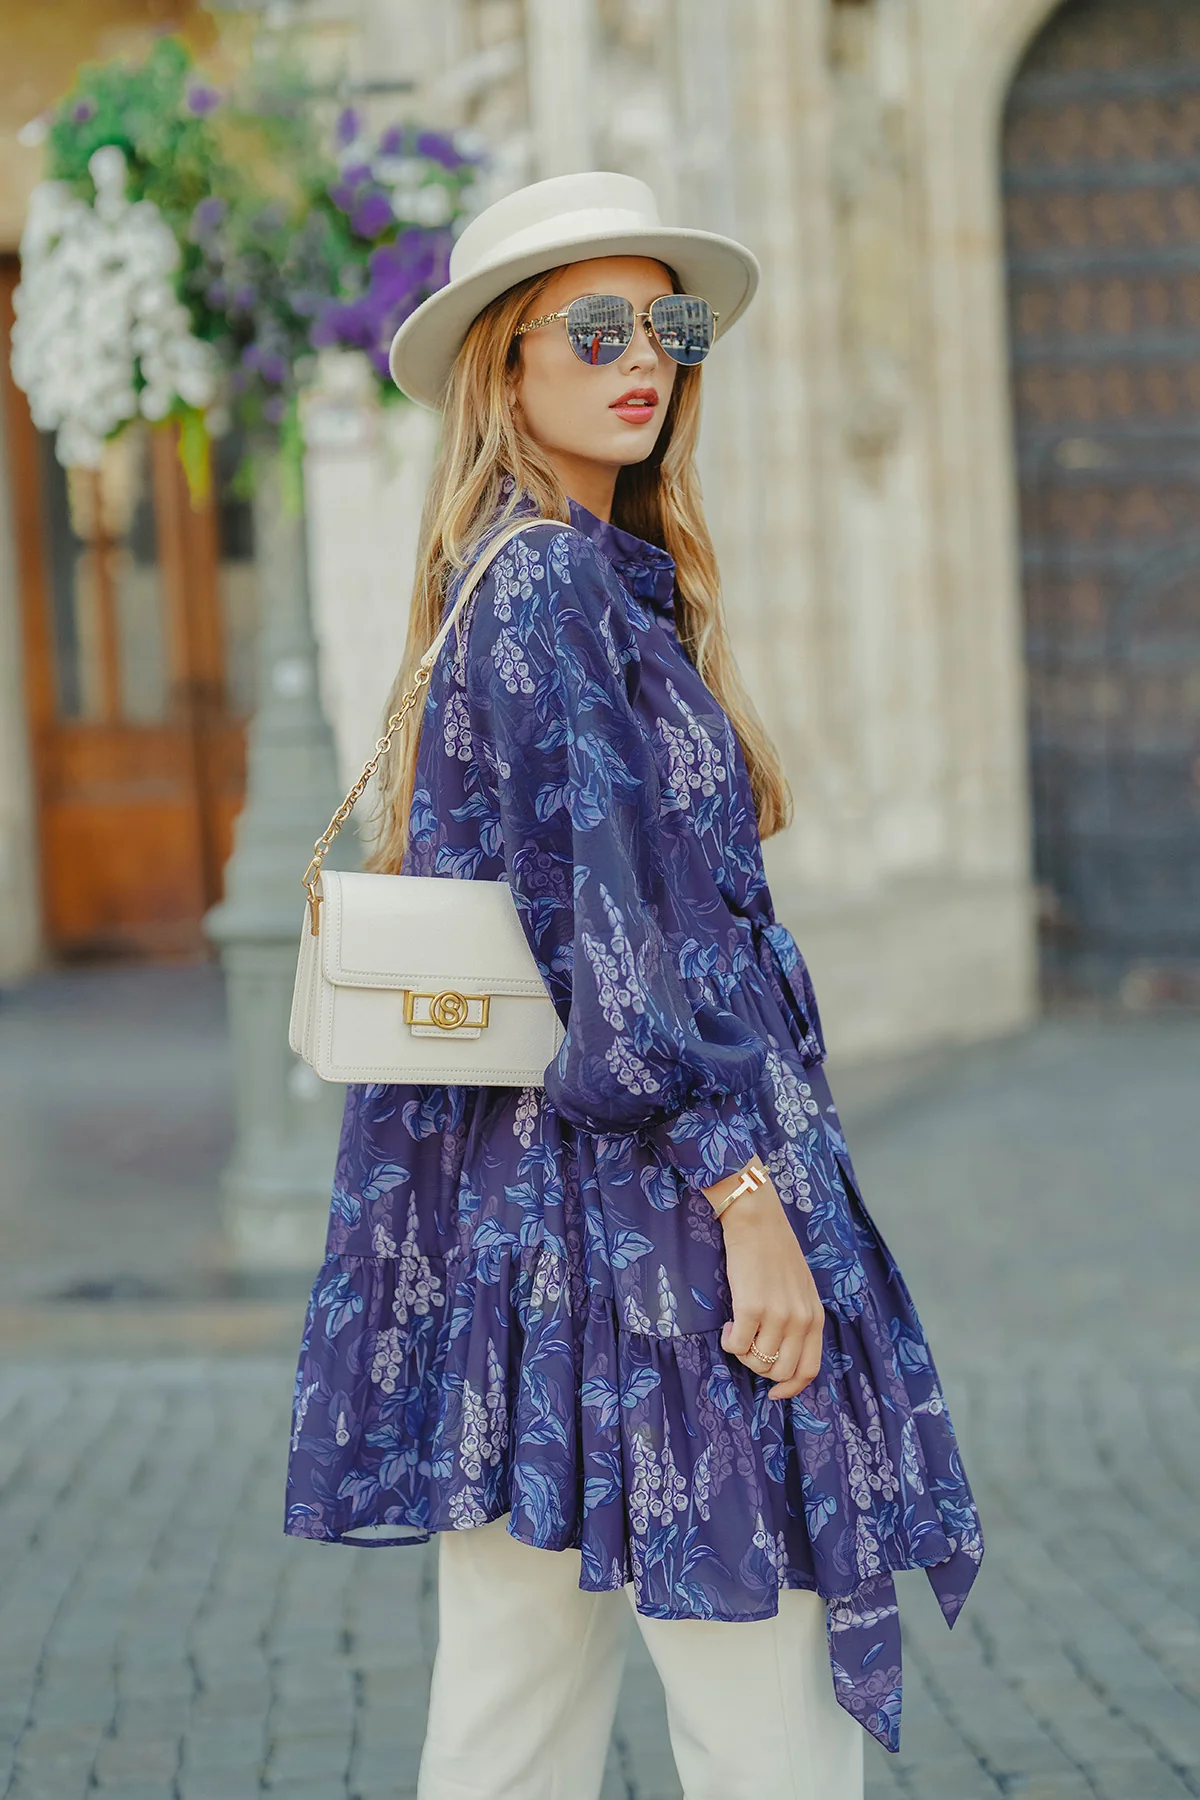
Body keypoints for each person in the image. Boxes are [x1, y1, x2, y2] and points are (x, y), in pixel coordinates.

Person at [284, 172, 983, 1800]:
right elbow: (611, 945)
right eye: (593, 326)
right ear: (503, 367)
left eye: (668, 323)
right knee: (764, 1713)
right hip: (660, 1231)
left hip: (530, 1243)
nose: (644, 357)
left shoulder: (567, 578)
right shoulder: (546, 589)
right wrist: (747, 1196)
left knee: (515, 1711)